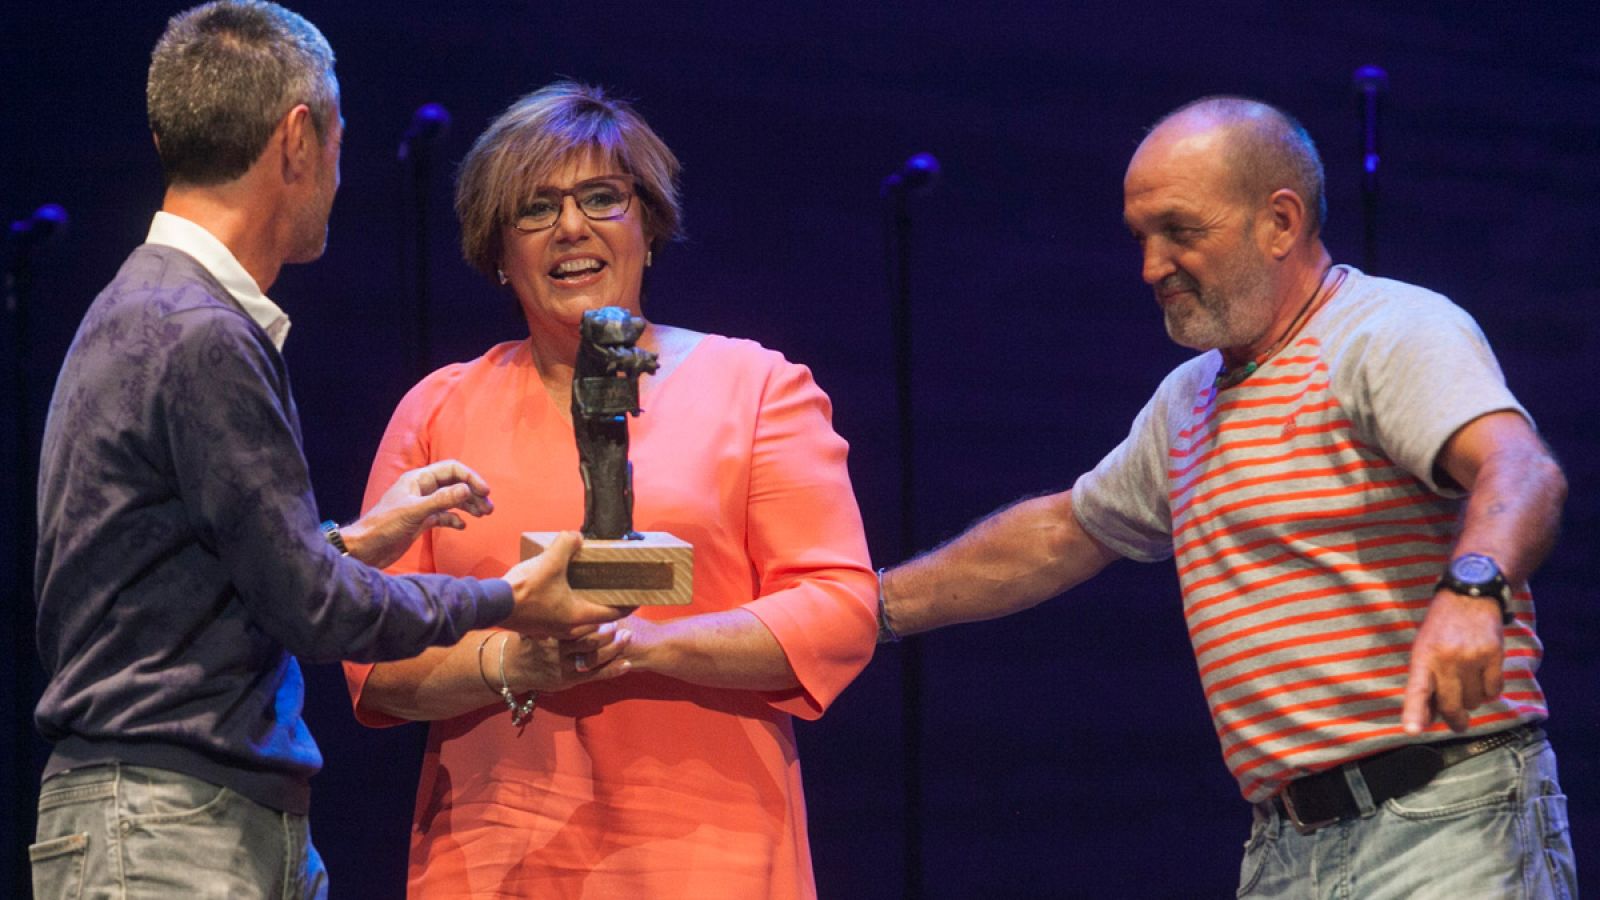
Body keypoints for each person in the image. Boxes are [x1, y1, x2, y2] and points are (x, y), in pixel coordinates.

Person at [878, 96, 1576, 898]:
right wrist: (869, 610)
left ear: (1280, 222)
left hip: (1444, 820)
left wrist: (1474, 587)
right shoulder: (1191, 398)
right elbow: (1063, 533)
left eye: (1181, 231)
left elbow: (1522, 470)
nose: (1151, 266)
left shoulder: (1387, 331)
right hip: (1288, 845)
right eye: (1141, 237)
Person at [29, 5, 624, 898]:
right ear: (299, 140)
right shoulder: (199, 334)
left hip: (180, 814)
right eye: (342, 137)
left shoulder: (147, 309)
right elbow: (313, 611)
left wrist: (350, 543)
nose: (341, 173)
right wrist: (511, 599)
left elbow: (211, 584)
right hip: (164, 824)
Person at [342, 81, 878, 898]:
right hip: (491, 863)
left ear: (649, 226)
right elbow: (370, 655)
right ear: (497, 252)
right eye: (534, 208)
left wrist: (643, 648)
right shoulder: (437, 409)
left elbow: (840, 610)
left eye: (602, 197)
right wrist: (513, 662)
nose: (570, 226)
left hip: (710, 861)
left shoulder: (757, 386)